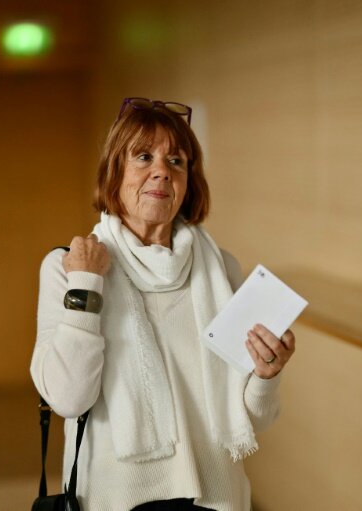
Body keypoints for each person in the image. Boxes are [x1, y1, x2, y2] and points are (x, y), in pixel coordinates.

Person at [31, 97, 296, 510]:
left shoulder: (220, 269)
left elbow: (254, 419)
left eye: (177, 161)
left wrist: (267, 374)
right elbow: (68, 399)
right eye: (143, 156)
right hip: (116, 500)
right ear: (114, 172)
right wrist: (87, 283)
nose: (162, 171)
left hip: (215, 497)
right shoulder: (70, 268)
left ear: (189, 181)